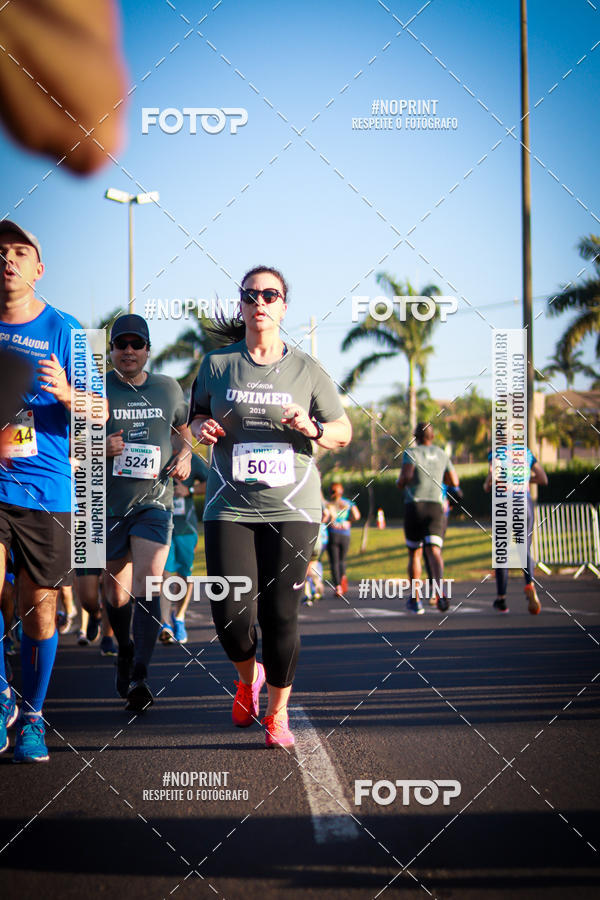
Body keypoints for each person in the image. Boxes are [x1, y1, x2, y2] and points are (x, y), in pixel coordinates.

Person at [189, 266, 352, 748]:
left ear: (283, 306)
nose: (260, 301)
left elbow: (342, 432)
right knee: (230, 615)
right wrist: (202, 429)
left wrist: (314, 428)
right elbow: (196, 415)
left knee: (281, 615)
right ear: (242, 305)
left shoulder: (307, 370)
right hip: (229, 506)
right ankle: (248, 677)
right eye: (251, 294)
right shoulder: (217, 365)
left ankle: (277, 714)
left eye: (270, 294)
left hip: (294, 509)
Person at [0, 221, 82, 762]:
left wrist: (68, 392)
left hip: (46, 489)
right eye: (0, 252)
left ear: (38, 269)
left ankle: (32, 715)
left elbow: (99, 414)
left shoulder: (65, 329)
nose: (7, 259)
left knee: (39, 609)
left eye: (19, 252)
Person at [104, 314, 192, 712]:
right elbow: (69, 442)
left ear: (147, 350)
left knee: (150, 582)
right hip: (105, 505)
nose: (128, 351)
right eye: (121, 344)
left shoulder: (167, 388)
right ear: (111, 350)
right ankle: (125, 647)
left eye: (135, 344)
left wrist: (186, 452)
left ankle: (140, 674)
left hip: (153, 502)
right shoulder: (96, 391)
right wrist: (99, 447)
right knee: (114, 590)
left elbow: (183, 428)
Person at [397, 423, 459, 614]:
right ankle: (439, 592)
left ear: (415, 436)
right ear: (432, 436)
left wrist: (401, 483)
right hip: (435, 506)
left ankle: (415, 600)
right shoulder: (442, 453)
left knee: (415, 553)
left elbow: (406, 476)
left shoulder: (412, 453)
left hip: (415, 505)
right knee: (434, 551)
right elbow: (454, 481)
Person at [484, 445, 548, 614]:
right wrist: (527, 480)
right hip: (523, 501)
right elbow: (543, 478)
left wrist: (487, 483)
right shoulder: (525, 453)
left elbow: (495, 474)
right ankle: (530, 584)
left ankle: (501, 599)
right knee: (523, 547)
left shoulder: (496, 452)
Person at [159, 452, 208, 644]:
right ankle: (165, 623)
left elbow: (210, 482)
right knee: (165, 574)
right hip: (161, 526)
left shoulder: (191, 458)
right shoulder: (157, 450)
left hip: (186, 527)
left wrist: (190, 491)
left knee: (185, 575)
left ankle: (178, 618)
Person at [325, 482, 360, 597]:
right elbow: (356, 516)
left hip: (333, 533)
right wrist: (348, 522)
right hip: (345, 533)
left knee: (334, 561)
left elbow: (326, 517)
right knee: (342, 560)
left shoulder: (329, 504)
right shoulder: (348, 503)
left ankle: (338, 586)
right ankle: (343, 577)